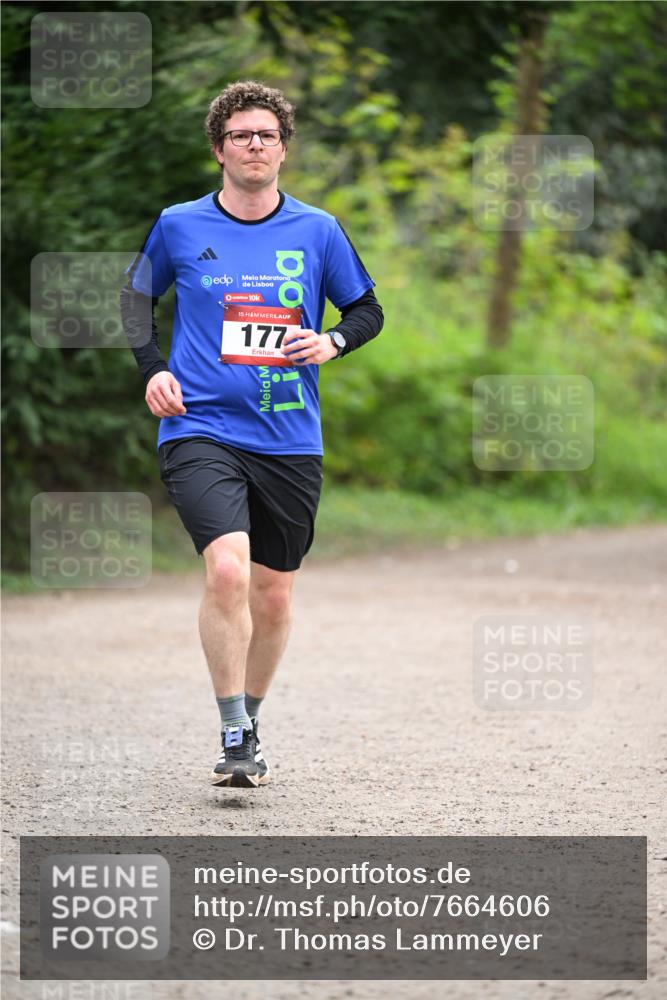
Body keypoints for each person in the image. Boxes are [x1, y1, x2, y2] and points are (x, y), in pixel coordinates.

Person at [120, 80, 383, 789]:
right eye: (241, 135)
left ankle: (253, 716)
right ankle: (234, 735)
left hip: (289, 437)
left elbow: (366, 309)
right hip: (198, 425)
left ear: (284, 149)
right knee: (228, 570)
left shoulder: (317, 231)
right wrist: (152, 370)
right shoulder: (179, 225)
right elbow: (136, 295)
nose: (255, 145)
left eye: (266, 134)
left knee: (272, 592)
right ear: (219, 149)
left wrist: (330, 343)